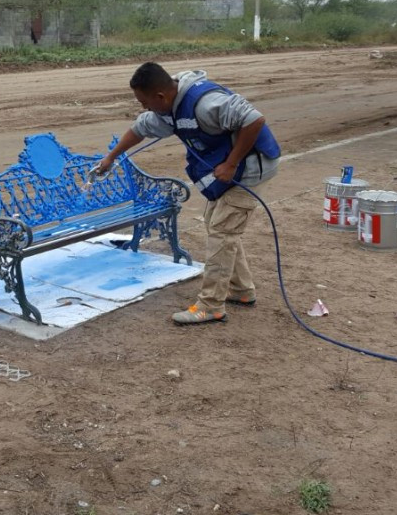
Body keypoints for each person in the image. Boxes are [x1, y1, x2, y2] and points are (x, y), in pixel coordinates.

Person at [95, 62, 281, 325]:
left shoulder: (205, 104)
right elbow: (140, 128)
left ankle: (211, 305)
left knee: (223, 231)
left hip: (251, 168)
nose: (143, 107)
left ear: (161, 96)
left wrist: (231, 163)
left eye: (144, 101)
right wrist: (111, 158)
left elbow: (254, 119)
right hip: (230, 168)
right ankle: (240, 290)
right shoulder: (168, 109)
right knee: (217, 226)